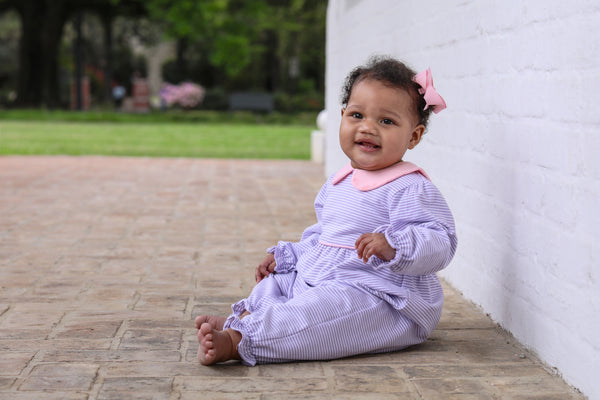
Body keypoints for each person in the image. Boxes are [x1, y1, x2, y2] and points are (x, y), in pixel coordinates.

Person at [195, 56, 458, 366]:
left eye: (386, 121)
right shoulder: (340, 180)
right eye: (357, 115)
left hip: (380, 297)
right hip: (328, 277)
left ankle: (241, 341)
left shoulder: (409, 187)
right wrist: (291, 255)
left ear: (413, 135)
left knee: (324, 312)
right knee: (279, 282)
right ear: (343, 116)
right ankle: (246, 318)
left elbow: (441, 240)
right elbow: (326, 236)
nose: (368, 128)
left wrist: (394, 245)